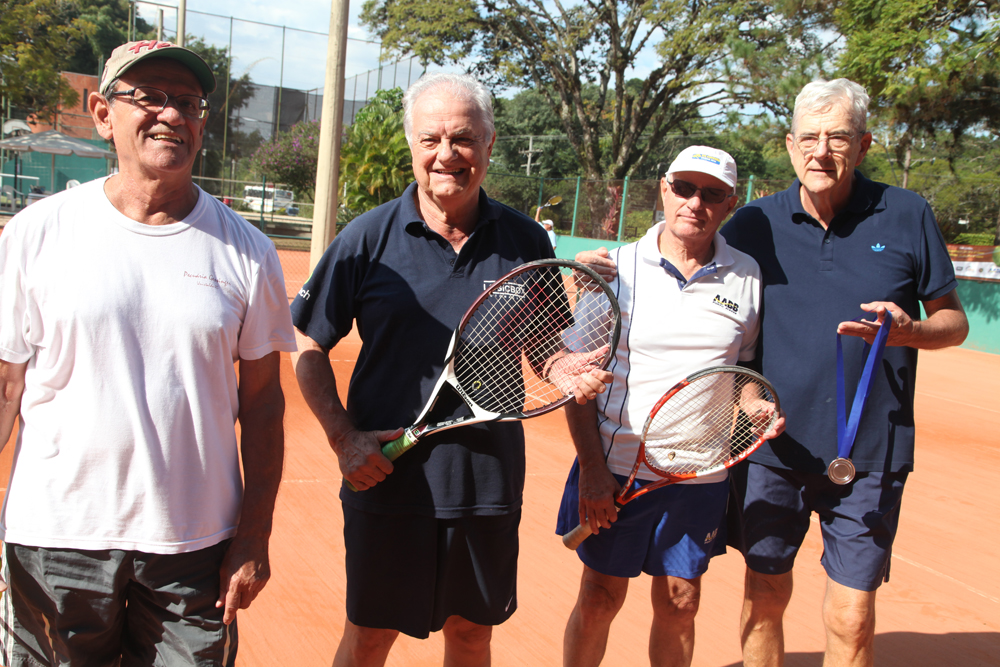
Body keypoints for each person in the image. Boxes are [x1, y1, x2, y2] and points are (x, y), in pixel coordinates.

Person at [579, 80, 969, 667]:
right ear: (789, 145)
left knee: (852, 615)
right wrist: (599, 271)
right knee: (763, 596)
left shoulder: (908, 214)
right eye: (808, 138)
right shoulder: (754, 225)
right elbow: (706, 306)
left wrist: (911, 330)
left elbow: (954, 323)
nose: (821, 152)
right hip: (769, 454)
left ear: (864, 145)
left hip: (870, 452)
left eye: (838, 137)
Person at [291, 73, 611, 667]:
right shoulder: (366, 238)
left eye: (463, 138)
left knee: (470, 635)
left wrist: (564, 368)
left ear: (489, 143)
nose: (447, 154)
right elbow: (307, 343)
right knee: (370, 634)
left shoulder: (525, 240)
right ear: (411, 144)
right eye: (431, 139)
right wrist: (343, 438)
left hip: (487, 482)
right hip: (384, 478)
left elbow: (545, 346)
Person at [0, 40, 296, 666]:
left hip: (195, 549)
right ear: (102, 114)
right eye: (150, 97)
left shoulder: (247, 251)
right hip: (55, 538)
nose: (172, 114)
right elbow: (6, 386)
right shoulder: (36, 233)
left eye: (188, 102)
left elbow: (264, 405)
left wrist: (255, 533)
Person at [556, 146, 783, 667]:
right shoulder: (613, 269)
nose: (695, 203)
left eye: (712, 194)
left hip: (699, 475)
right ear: (664, 188)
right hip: (616, 469)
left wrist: (754, 406)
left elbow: (742, 369)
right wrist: (592, 469)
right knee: (599, 598)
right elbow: (577, 379)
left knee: (682, 603)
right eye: (684, 188)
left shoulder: (747, 275)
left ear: (729, 204)